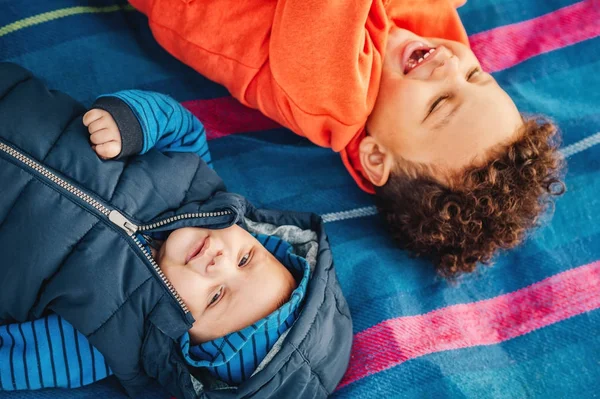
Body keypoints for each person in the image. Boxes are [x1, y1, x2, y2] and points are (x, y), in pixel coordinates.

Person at [129, 0, 565, 275]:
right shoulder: (426, 44)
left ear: (376, 158)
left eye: (438, 104)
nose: (450, 66)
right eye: (476, 74)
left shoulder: (334, 98)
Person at [0, 62, 352, 398]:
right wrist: (132, 123)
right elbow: (178, 124)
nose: (220, 263)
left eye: (215, 297)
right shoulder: (196, 181)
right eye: (245, 259)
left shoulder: (104, 344)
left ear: (186, 343)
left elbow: (15, 360)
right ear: (261, 238)